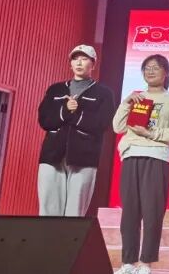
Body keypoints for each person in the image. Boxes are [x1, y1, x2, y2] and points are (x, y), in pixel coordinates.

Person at [110, 54, 169, 274]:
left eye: (156, 68)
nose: (150, 71)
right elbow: (117, 127)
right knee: (129, 214)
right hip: (131, 155)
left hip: (157, 157)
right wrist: (126, 103)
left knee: (152, 213)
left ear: (166, 73)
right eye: (147, 68)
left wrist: (151, 134)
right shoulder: (136, 98)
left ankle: (145, 266)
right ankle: (127, 264)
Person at [36, 44, 115, 217]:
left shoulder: (104, 93)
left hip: (84, 157)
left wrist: (76, 113)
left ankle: (71, 236)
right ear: (70, 63)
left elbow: (103, 123)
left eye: (84, 59)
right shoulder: (55, 89)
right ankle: (47, 236)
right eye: (75, 59)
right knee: (48, 209)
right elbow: (45, 120)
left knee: (75, 212)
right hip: (51, 155)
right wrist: (65, 110)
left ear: (93, 64)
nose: (79, 63)